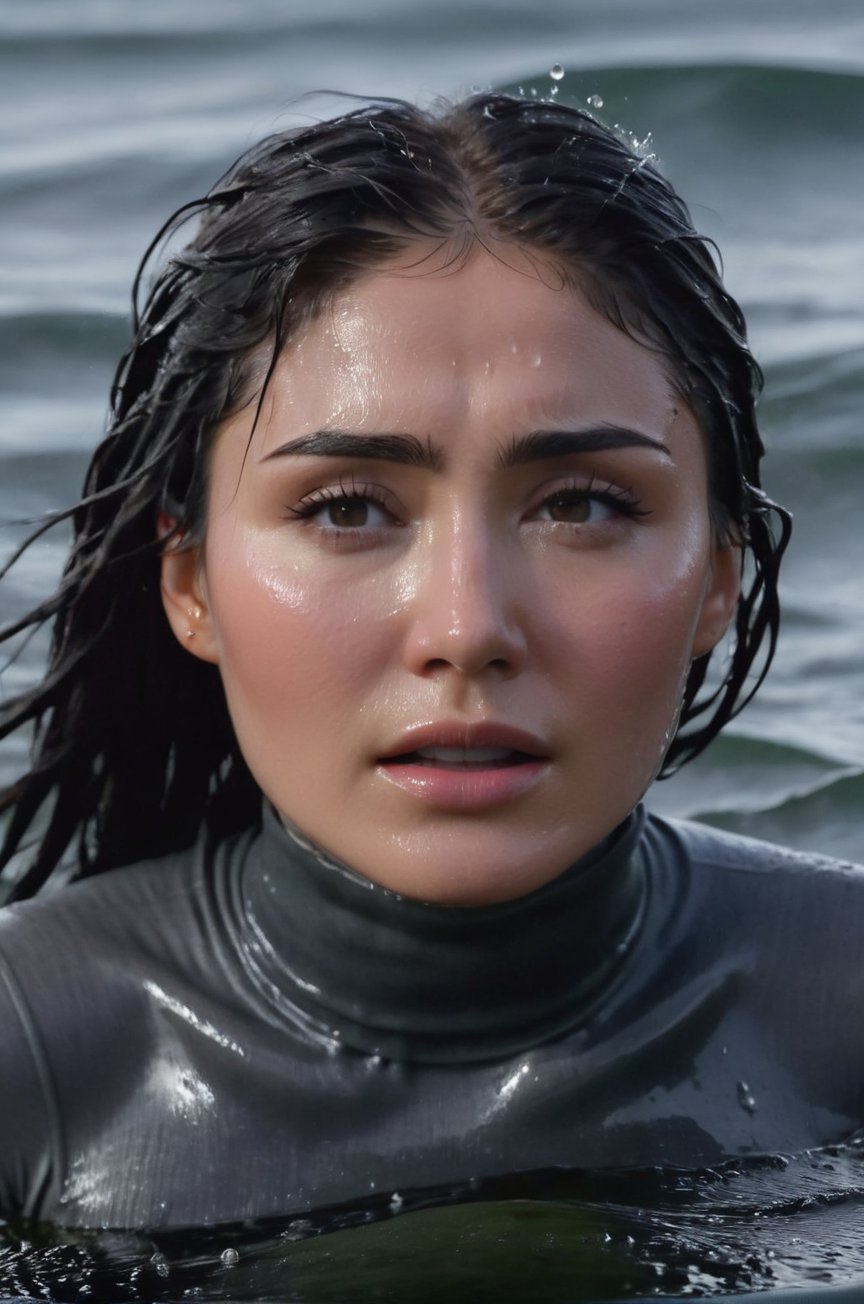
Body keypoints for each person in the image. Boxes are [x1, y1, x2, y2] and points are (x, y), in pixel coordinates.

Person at [0, 91, 861, 1233]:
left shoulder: (842, 1007)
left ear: (718, 576)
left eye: (585, 505)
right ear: (192, 581)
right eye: (348, 506)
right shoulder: (32, 1066)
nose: (466, 625)